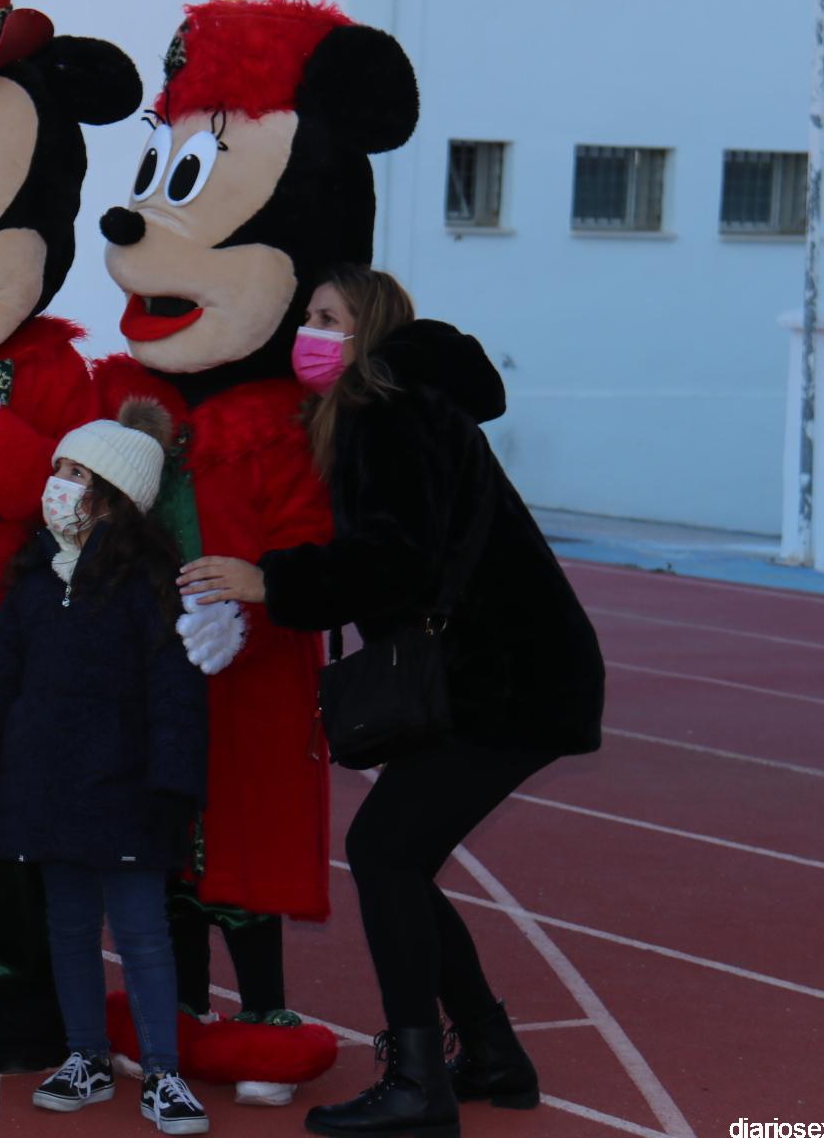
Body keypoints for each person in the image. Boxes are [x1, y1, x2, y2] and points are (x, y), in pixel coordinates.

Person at [177, 265, 605, 1137]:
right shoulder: (395, 407)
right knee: (398, 855)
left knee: (384, 852)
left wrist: (270, 581)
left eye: (329, 317)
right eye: (307, 315)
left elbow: (396, 559)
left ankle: (418, 1083)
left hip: (510, 678)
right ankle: (489, 1053)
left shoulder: (390, 409)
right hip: (501, 669)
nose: (310, 332)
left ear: (369, 331)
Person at [0, 405, 212, 1135]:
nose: (56, 484)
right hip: (46, 789)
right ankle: (86, 1055)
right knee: (67, 926)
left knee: (142, 931)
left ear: (114, 497)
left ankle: (163, 1071)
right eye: (58, 469)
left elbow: (176, 696)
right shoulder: (33, 577)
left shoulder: (151, 583)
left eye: (75, 474)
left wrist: (173, 787)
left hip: (127, 792)